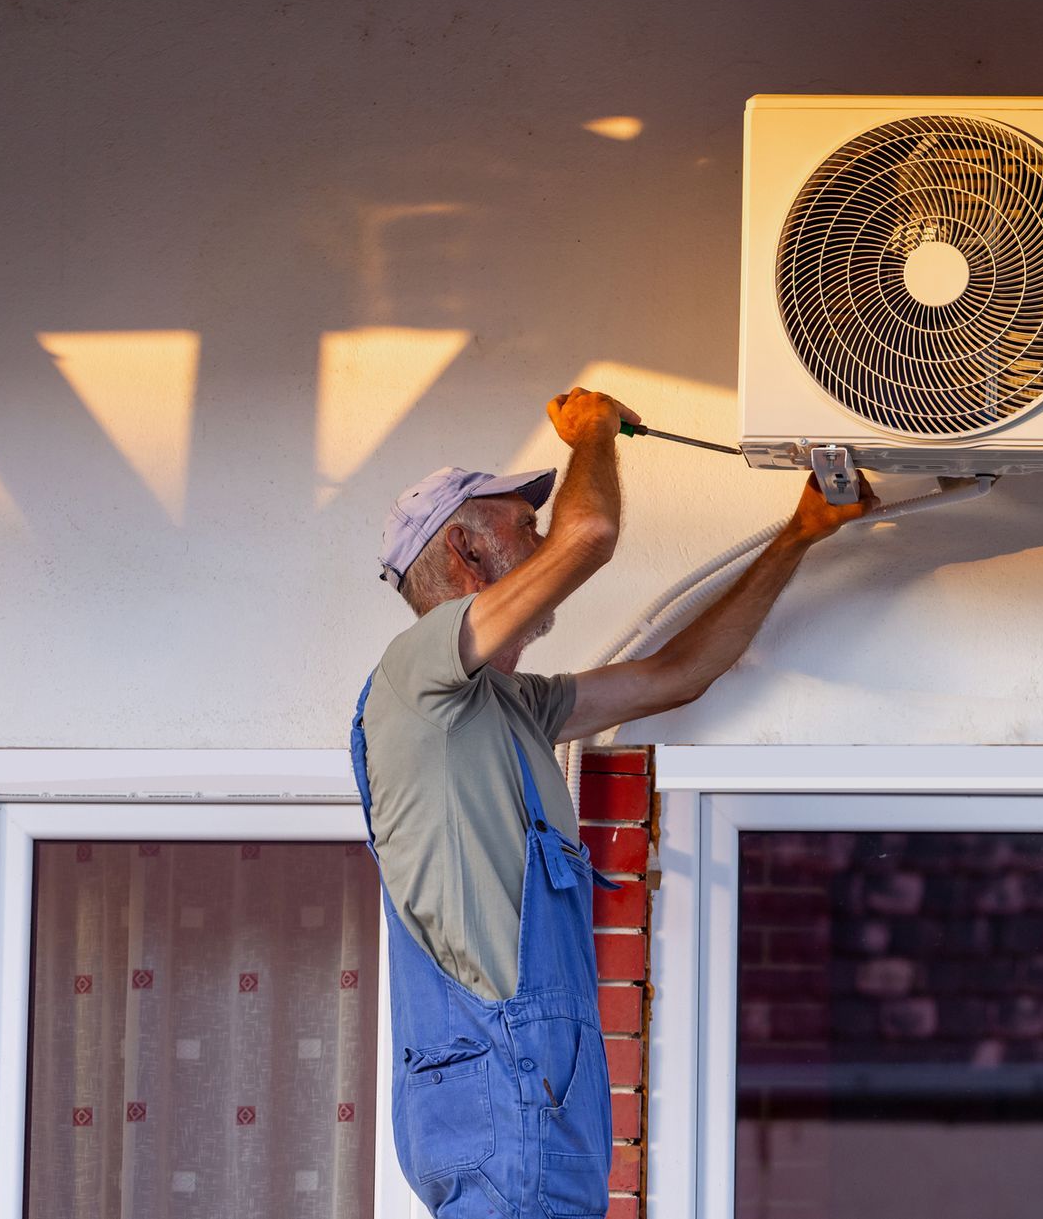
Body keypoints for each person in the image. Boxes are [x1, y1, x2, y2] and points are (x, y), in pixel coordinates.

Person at [347, 386, 875, 1216]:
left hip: (534, 1116)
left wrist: (799, 535)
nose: (546, 536)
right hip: (510, 1116)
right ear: (465, 552)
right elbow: (592, 534)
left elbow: (678, 673)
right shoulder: (416, 676)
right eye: (524, 527)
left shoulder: (512, 706)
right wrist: (591, 432)